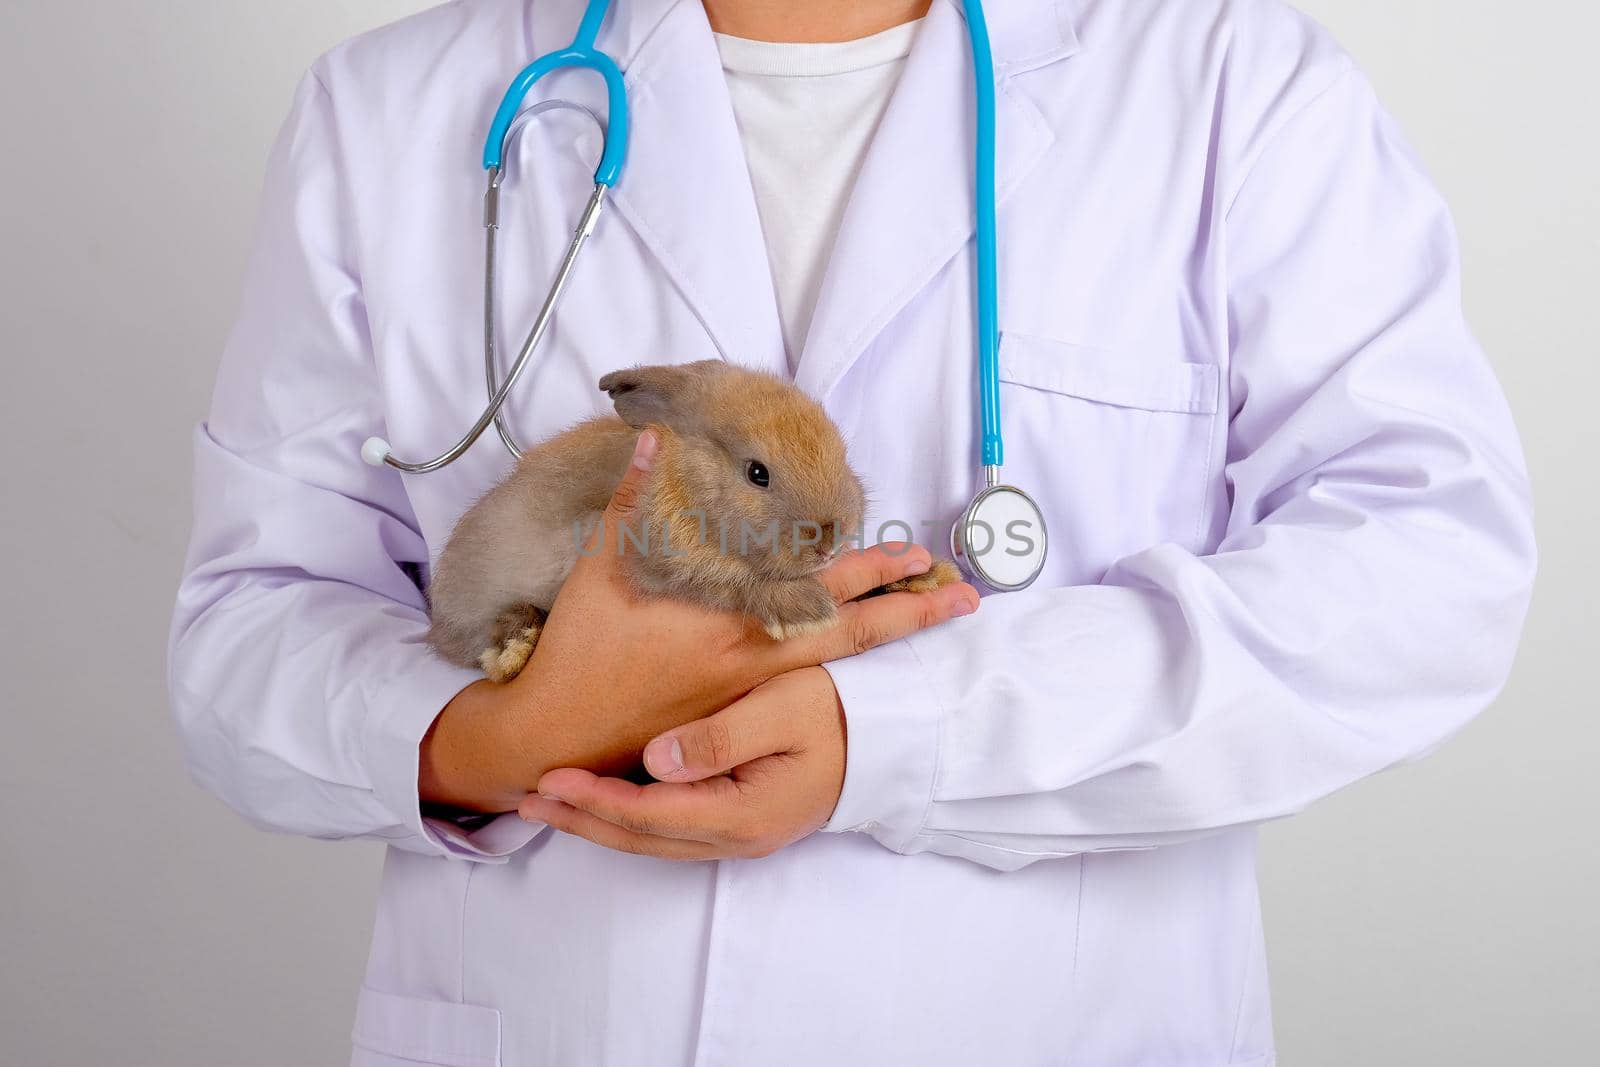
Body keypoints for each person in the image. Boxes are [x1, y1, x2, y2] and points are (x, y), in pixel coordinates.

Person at [168, 0, 1536, 1063]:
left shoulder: (1232, 83)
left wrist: (895, 737)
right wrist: (500, 739)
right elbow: (245, 639)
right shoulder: (394, 111)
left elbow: (1430, 573)